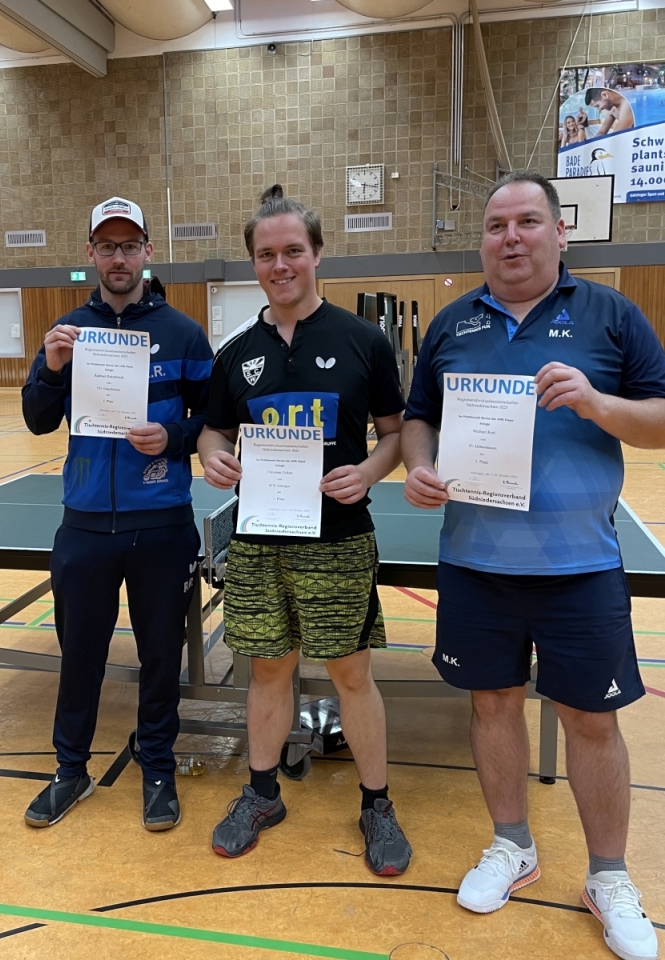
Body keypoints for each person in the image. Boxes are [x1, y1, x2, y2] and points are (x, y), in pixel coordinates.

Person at [401, 172, 665, 960]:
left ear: (561, 233)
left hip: (580, 566)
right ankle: (512, 845)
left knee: (591, 721)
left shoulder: (611, 315)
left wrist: (598, 402)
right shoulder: (453, 324)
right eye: (497, 225)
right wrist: (419, 464)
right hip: (475, 561)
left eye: (528, 221)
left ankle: (609, 876)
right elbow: (420, 416)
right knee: (492, 706)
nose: (511, 237)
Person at [199, 186, 412, 876]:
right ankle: (262, 794)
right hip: (259, 542)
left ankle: (376, 804)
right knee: (268, 669)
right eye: (266, 254)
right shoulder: (235, 353)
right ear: (254, 263)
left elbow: (395, 434)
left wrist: (370, 471)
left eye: (293, 250)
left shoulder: (363, 341)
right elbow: (212, 430)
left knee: (351, 673)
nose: (280, 264)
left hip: (339, 539)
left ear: (317, 254)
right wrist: (211, 456)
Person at [20, 196, 214, 832]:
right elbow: (37, 419)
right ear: (91, 254)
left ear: (148, 252)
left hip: (161, 525)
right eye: (107, 246)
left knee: (160, 657)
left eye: (130, 246)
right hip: (83, 527)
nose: (119, 258)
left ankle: (157, 768)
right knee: (80, 656)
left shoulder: (184, 334)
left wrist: (174, 436)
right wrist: (52, 369)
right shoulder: (69, 333)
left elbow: (216, 421)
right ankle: (69, 770)